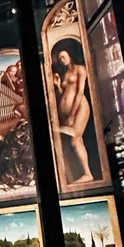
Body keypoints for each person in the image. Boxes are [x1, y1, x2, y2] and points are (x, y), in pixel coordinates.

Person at [51, 41, 94, 184]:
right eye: (60, 58)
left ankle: (88, 174)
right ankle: (80, 174)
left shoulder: (80, 69)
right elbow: (64, 94)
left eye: (64, 56)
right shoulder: (65, 74)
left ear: (70, 55)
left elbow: (79, 92)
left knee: (75, 139)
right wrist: (57, 86)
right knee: (74, 141)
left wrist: (72, 115)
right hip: (68, 112)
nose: (62, 60)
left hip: (80, 107)